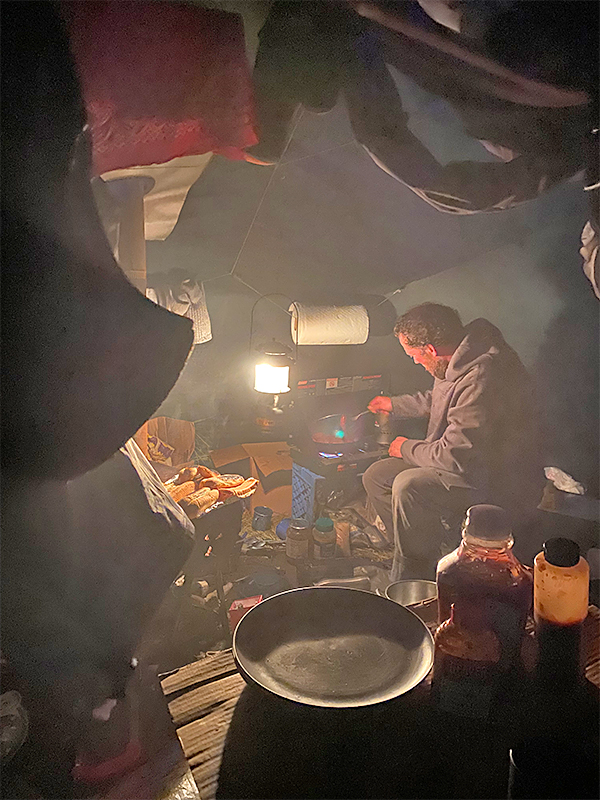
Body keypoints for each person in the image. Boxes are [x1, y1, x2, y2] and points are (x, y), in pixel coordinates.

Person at [363, 303, 543, 580]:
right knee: (376, 476)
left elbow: (454, 456)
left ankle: (413, 578)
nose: (414, 361)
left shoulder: (482, 376)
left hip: (497, 479)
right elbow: (443, 399)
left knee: (408, 485)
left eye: (413, 355)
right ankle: (425, 551)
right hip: (471, 463)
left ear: (431, 350)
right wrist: (394, 405)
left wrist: (406, 448)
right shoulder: (461, 354)